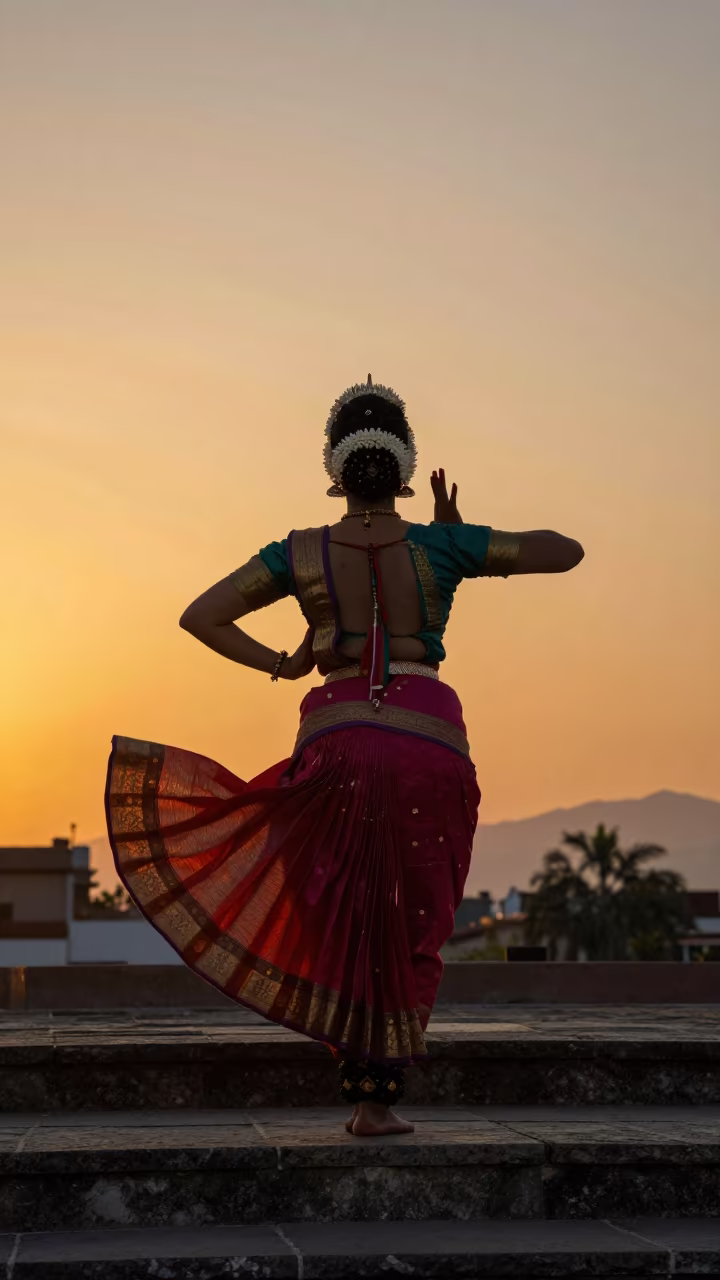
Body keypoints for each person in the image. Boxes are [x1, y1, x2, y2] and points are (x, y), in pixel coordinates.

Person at [105, 375, 583, 1136]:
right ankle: (380, 1101)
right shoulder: (439, 544)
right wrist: (462, 534)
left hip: (335, 742)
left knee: (339, 914)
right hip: (429, 740)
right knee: (416, 917)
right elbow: (567, 552)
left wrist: (281, 663)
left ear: (335, 471)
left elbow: (201, 616)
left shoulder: (297, 553)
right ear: (402, 470)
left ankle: (361, 1089)